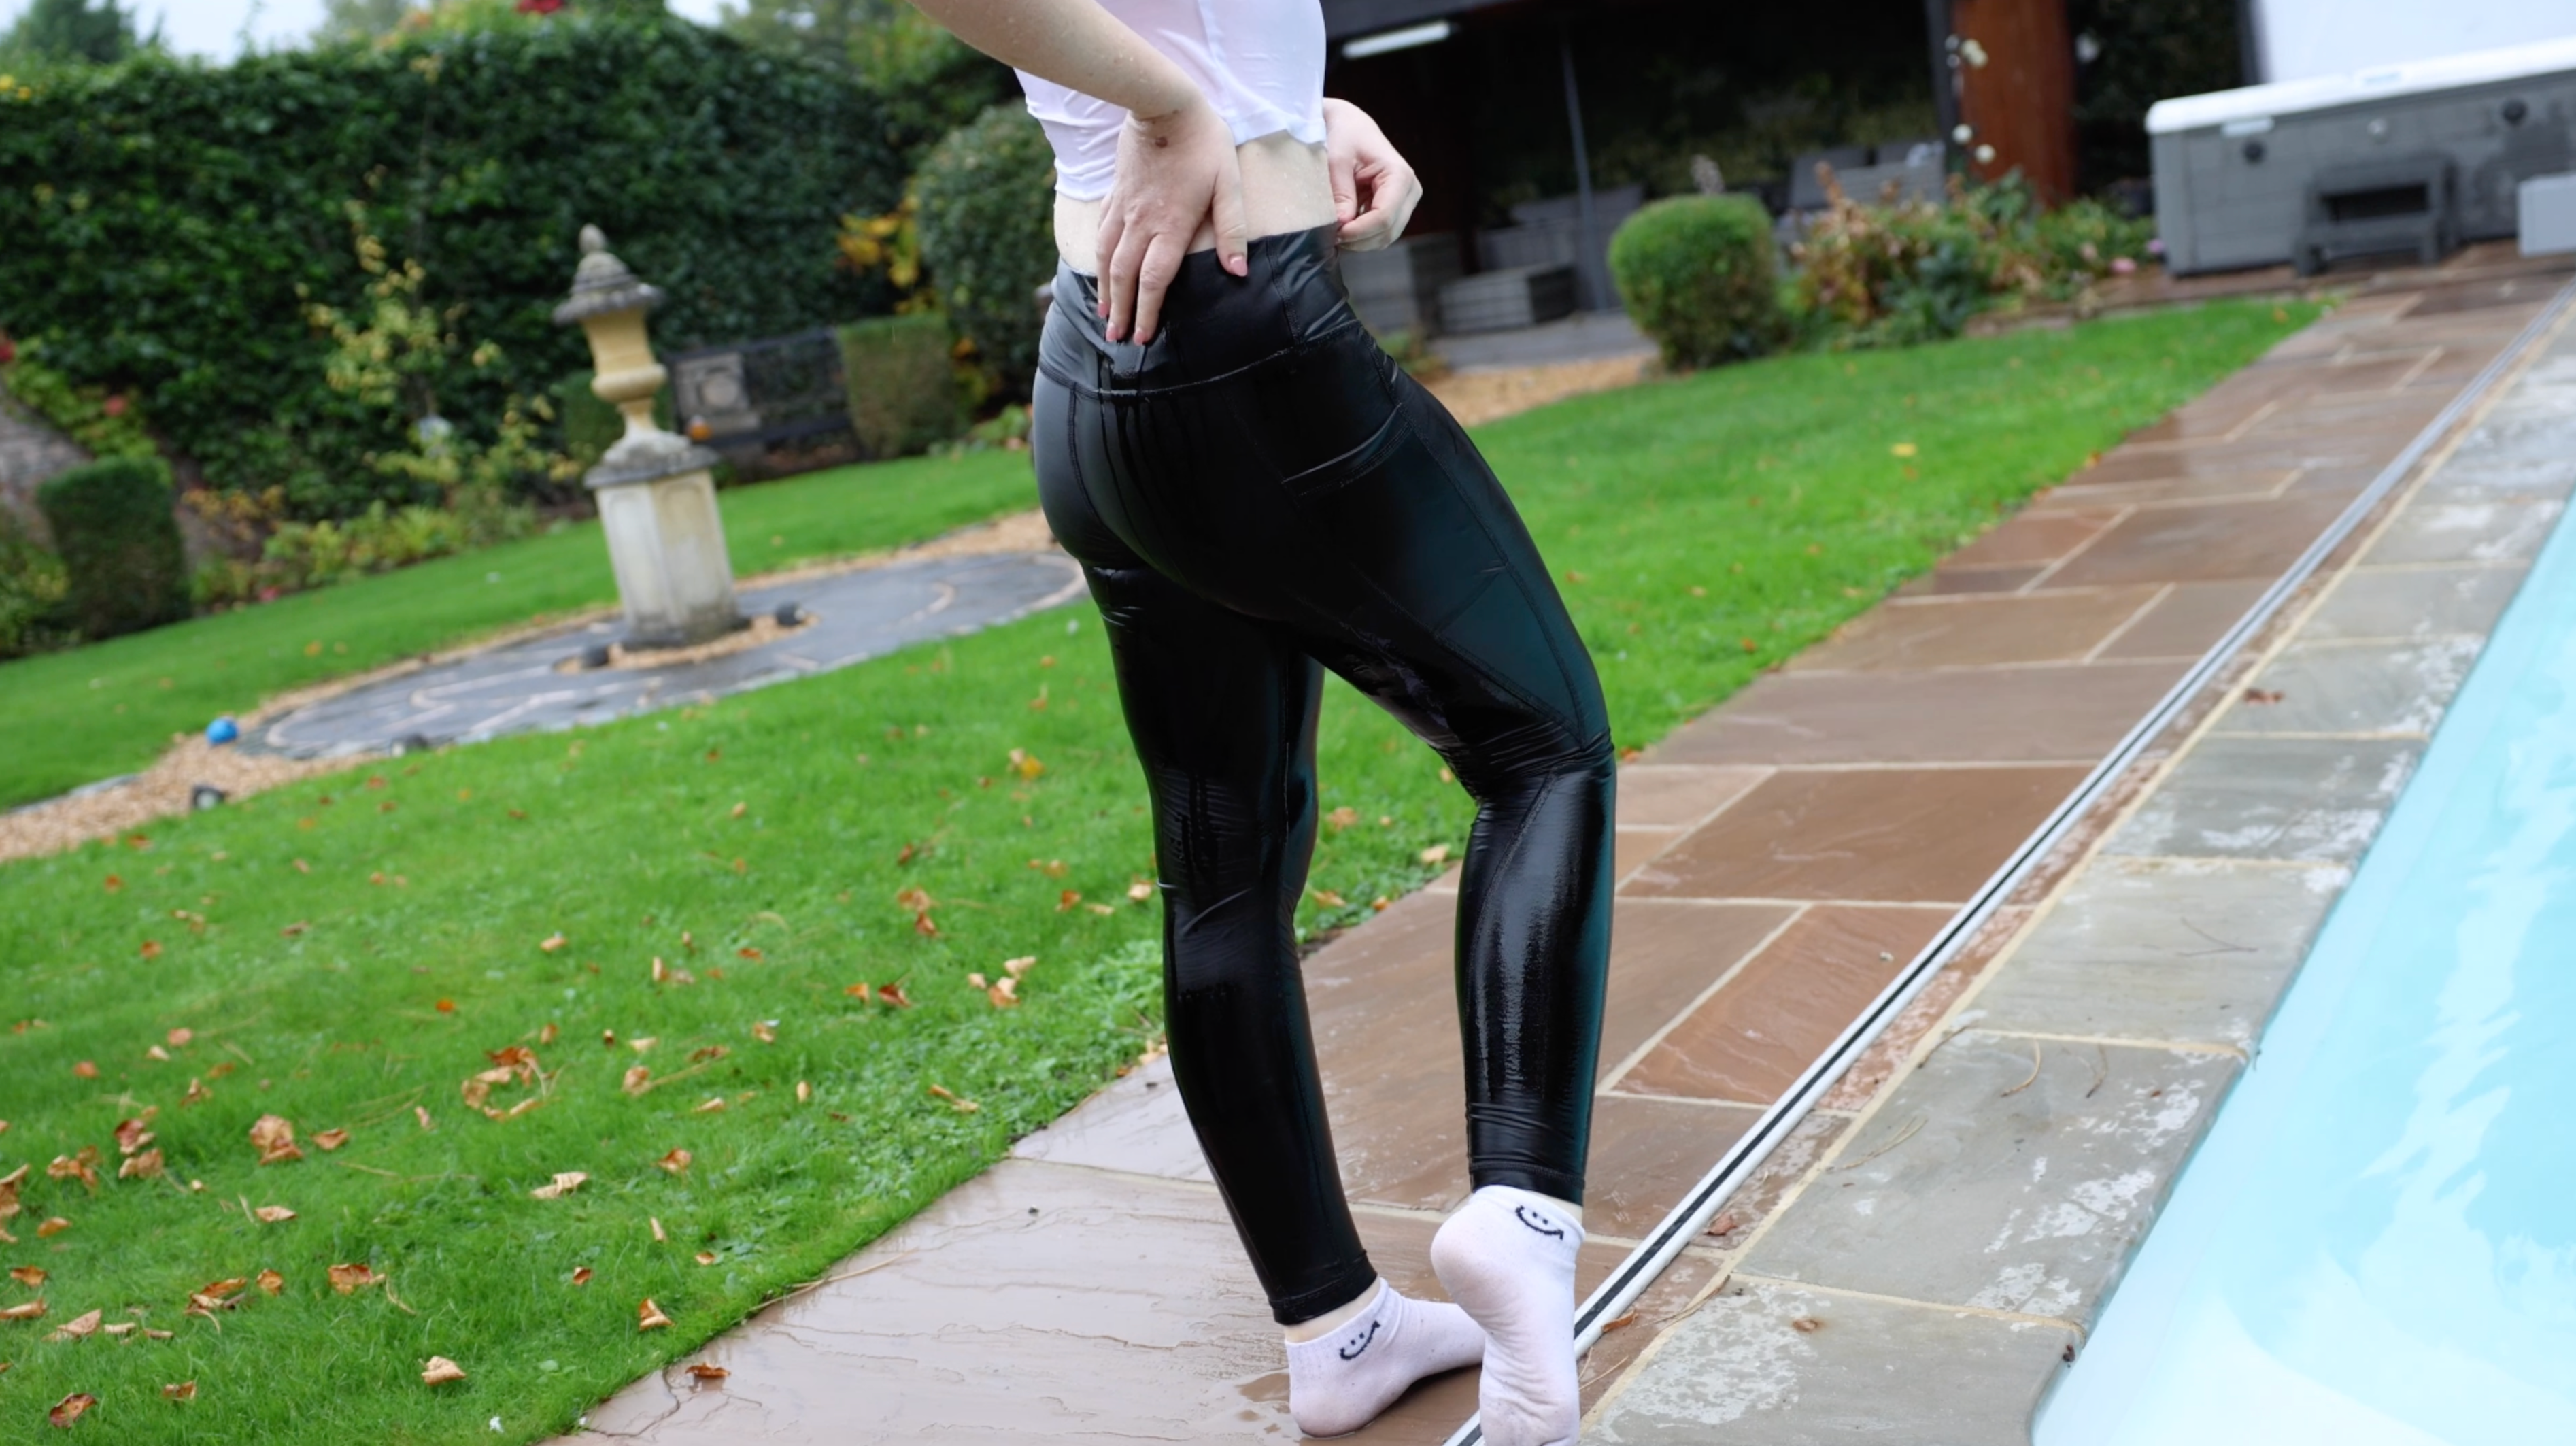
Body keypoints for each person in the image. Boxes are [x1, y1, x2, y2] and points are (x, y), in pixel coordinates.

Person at [907, 3, 1616, 1441]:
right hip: (1241, 341)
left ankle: (1337, 1329)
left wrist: (1295, 112)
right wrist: (1179, 113)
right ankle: (1523, 1214)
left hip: (1095, 371)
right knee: (1545, 751)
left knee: (1221, 873)